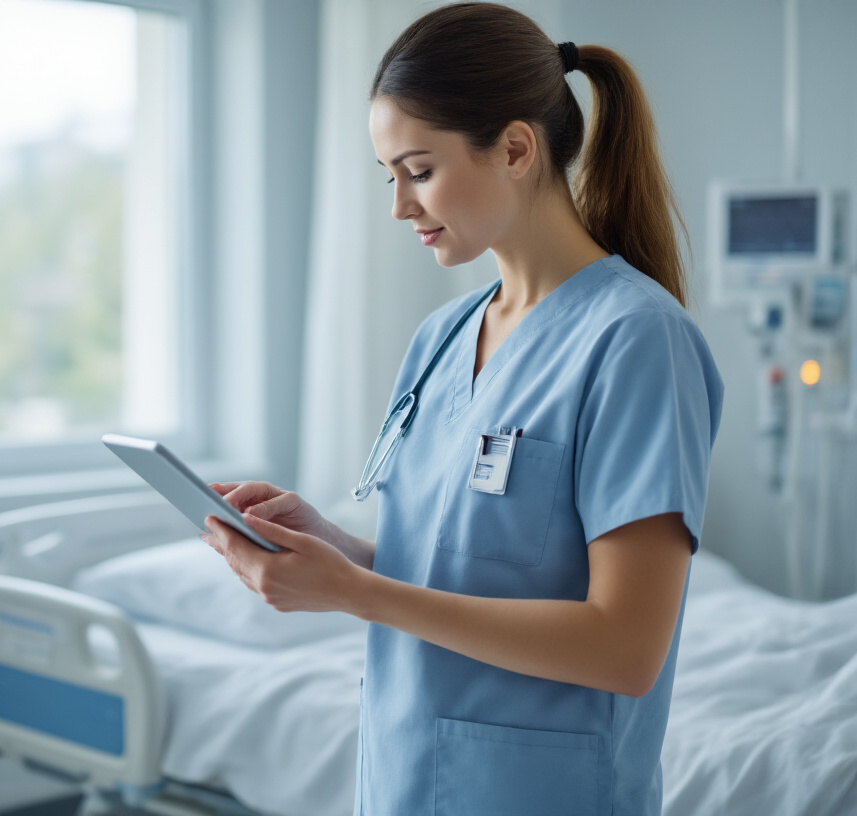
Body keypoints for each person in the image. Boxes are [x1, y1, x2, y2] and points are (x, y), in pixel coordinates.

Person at [200, 3, 724, 814]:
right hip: (403, 779)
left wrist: (354, 594)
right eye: (390, 176)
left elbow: (626, 649)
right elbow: (463, 568)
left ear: (516, 148)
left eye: (418, 169)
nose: (401, 207)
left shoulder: (637, 341)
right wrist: (337, 552)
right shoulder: (443, 337)